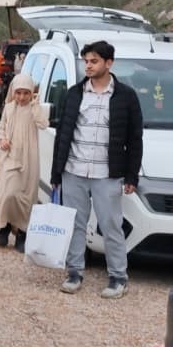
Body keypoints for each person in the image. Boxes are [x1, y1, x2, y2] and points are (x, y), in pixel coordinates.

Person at [50, 40, 143, 298]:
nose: (88, 66)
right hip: (74, 170)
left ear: (109, 63)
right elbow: (62, 134)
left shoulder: (126, 96)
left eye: (93, 61)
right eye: (86, 61)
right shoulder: (74, 93)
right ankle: (74, 272)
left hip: (107, 173)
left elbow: (135, 139)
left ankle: (118, 277)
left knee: (111, 225)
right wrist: (56, 173)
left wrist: (131, 175)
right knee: (75, 224)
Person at [0, 72, 47, 252]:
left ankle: (22, 231)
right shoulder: (9, 108)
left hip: (29, 159)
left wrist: (36, 106)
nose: (22, 97)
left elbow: (43, 124)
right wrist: (2, 140)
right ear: (13, 92)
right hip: (11, 157)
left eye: (26, 93)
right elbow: (1, 128)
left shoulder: (34, 108)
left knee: (26, 196)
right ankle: (5, 224)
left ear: (31, 92)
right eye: (18, 92)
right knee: (9, 193)